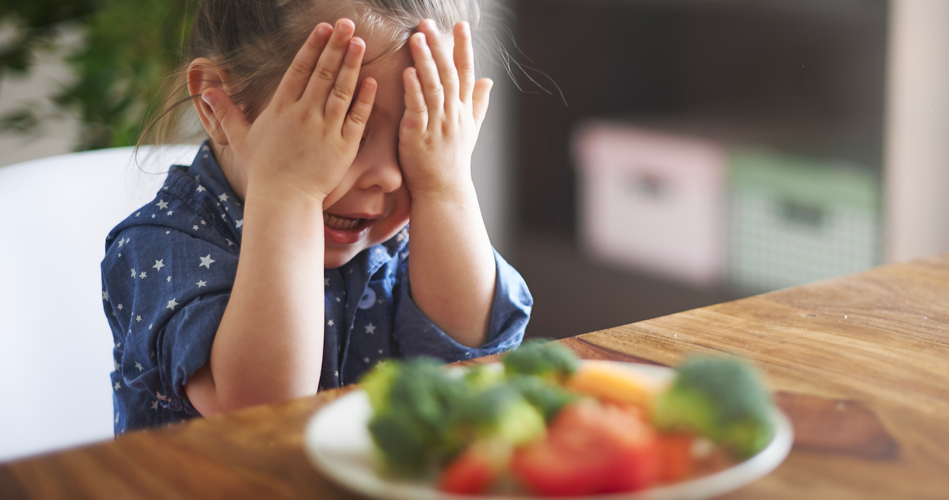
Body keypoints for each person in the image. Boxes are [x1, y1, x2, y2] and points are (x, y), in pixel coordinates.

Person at [101, 0, 532, 434]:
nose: (387, 177)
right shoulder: (159, 245)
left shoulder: (399, 228)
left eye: (414, 139)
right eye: (344, 131)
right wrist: (289, 193)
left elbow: (471, 353)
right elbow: (264, 410)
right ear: (218, 106)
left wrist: (444, 185)